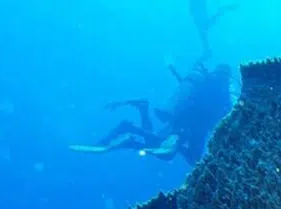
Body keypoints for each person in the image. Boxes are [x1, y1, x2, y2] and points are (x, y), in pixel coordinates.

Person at [71, 61, 233, 165]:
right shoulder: (224, 93)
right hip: (190, 125)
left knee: (187, 157)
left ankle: (135, 125)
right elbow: (225, 116)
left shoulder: (206, 82)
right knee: (171, 154)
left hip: (186, 122)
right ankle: (131, 130)